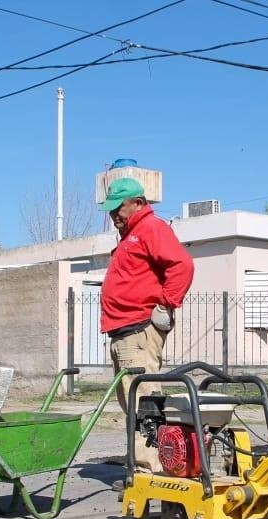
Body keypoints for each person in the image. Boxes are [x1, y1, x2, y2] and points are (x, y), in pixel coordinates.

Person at [98, 177, 194, 477]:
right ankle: (150, 466)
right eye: (111, 209)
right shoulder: (130, 236)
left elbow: (183, 265)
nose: (114, 214)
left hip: (138, 330)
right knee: (135, 402)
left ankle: (149, 472)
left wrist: (166, 304)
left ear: (138, 203)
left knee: (143, 404)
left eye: (119, 207)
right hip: (124, 331)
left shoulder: (151, 228)